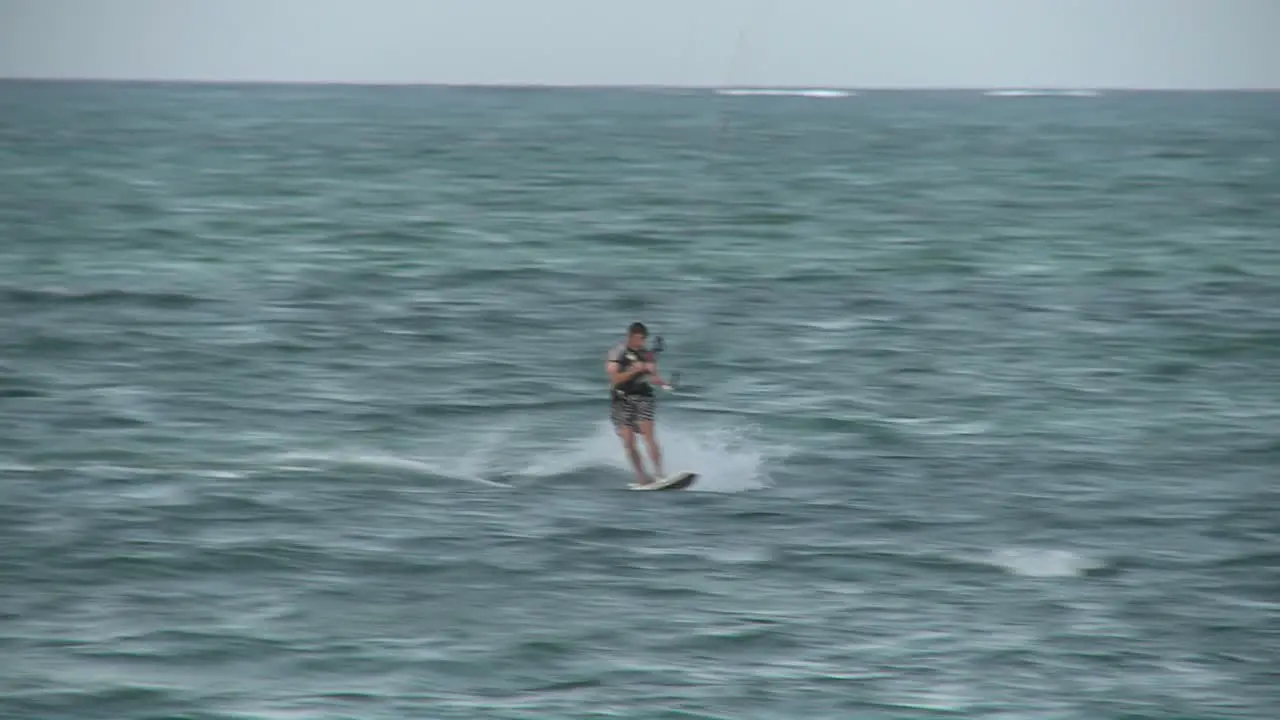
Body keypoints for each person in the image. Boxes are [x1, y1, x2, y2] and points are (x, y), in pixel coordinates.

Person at [605, 322, 671, 486]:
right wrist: (634, 370)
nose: (641, 343)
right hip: (621, 399)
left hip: (643, 397)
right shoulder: (617, 352)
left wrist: (662, 383)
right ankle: (642, 477)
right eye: (639, 339)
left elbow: (651, 377)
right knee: (628, 441)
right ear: (630, 337)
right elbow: (614, 378)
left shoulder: (646, 354)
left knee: (648, 435)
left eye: (644, 339)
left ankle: (660, 474)